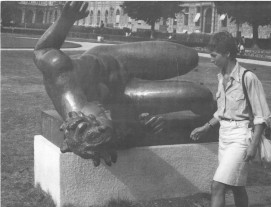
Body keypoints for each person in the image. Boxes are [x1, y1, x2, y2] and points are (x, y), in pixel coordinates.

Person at [34, 1, 215, 166]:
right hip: (127, 93)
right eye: (105, 122)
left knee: (190, 57)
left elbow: (42, 49)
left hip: (116, 60)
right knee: (200, 96)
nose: (105, 118)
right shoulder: (100, 136)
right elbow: (122, 134)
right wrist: (142, 128)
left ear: (89, 115)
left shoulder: (58, 71)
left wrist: (65, 20)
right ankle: (218, 117)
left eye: (101, 118)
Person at [190, 31, 271, 207]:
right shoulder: (221, 78)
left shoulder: (248, 77)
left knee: (217, 185)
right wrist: (205, 127)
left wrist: (253, 144)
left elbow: (261, 116)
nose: (210, 59)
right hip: (224, 137)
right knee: (236, 186)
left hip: (241, 137)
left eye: (213, 55)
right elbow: (222, 111)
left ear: (227, 53)